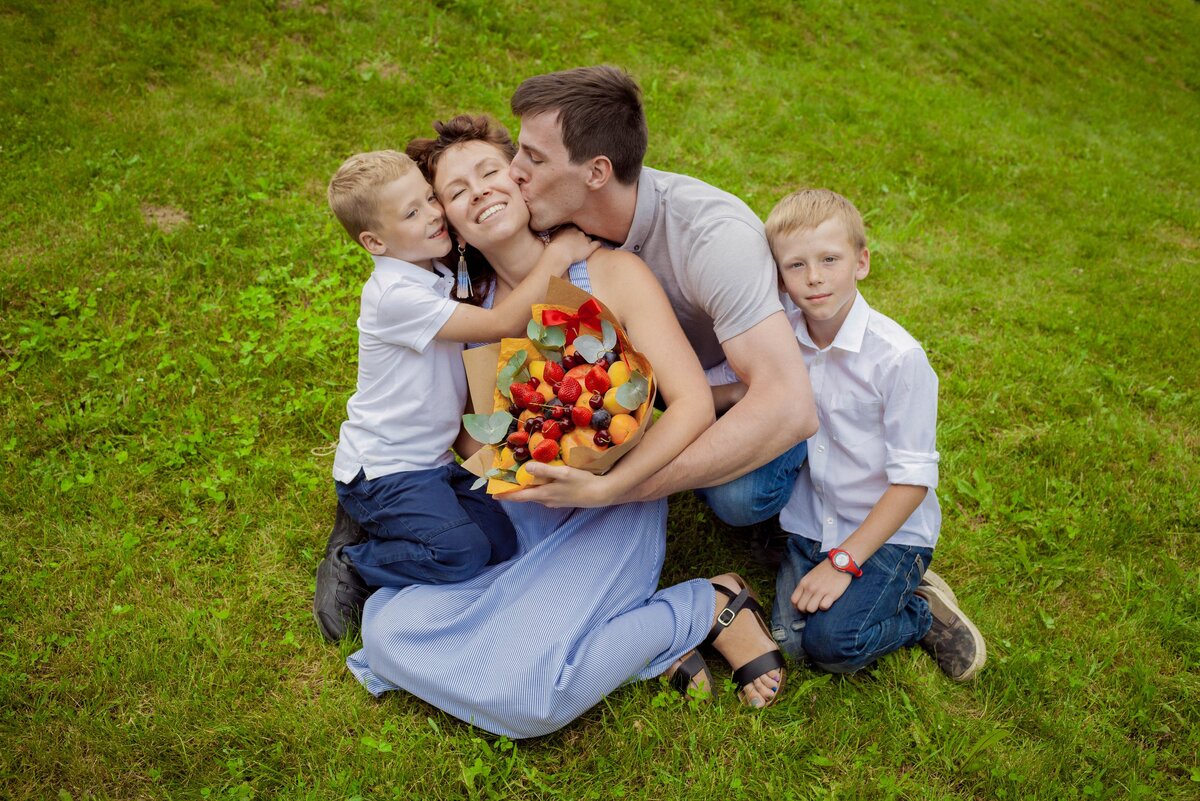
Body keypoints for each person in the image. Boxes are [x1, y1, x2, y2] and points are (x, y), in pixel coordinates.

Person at [344, 114, 788, 738]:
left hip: (615, 503)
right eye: (457, 190)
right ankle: (629, 643)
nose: (480, 192)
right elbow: (470, 436)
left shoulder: (611, 275)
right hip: (516, 506)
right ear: (447, 221)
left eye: (490, 172)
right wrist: (508, 452)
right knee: (388, 632)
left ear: (522, 181)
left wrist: (610, 483)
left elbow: (686, 404)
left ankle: (707, 607)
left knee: (531, 707)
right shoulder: (466, 310)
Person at [503, 66, 817, 546]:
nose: (512, 172)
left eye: (533, 158)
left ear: (596, 172)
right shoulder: (546, 209)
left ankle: (809, 508)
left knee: (739, 495)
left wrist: (617, 489)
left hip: (727, 373)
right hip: (626, 377)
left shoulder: (714, 238)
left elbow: (790, 406)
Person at [313, 149, 596, 642]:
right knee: (460, 553)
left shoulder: (432, 274)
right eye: (412, 212)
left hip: (436, 459)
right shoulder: (393, 295)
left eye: (428, 199)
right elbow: (500, 323)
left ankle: (390, 525)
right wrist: (558, 255)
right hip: (389, 467)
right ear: (374, 241)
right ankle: (357, 561)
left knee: (501, 543)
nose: (434, 213)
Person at [755, 188, 985, 681]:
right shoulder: (779, 339)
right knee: (791, 647)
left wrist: (842, 563)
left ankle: (920, 611)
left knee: (834, 646)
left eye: (830, 259)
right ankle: (872, 593)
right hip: (811, 519)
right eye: (796, 266)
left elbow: (912, 481)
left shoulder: (898, 359)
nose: (814, 277)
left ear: (861, 262)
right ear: (779, 277)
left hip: (888, 532)